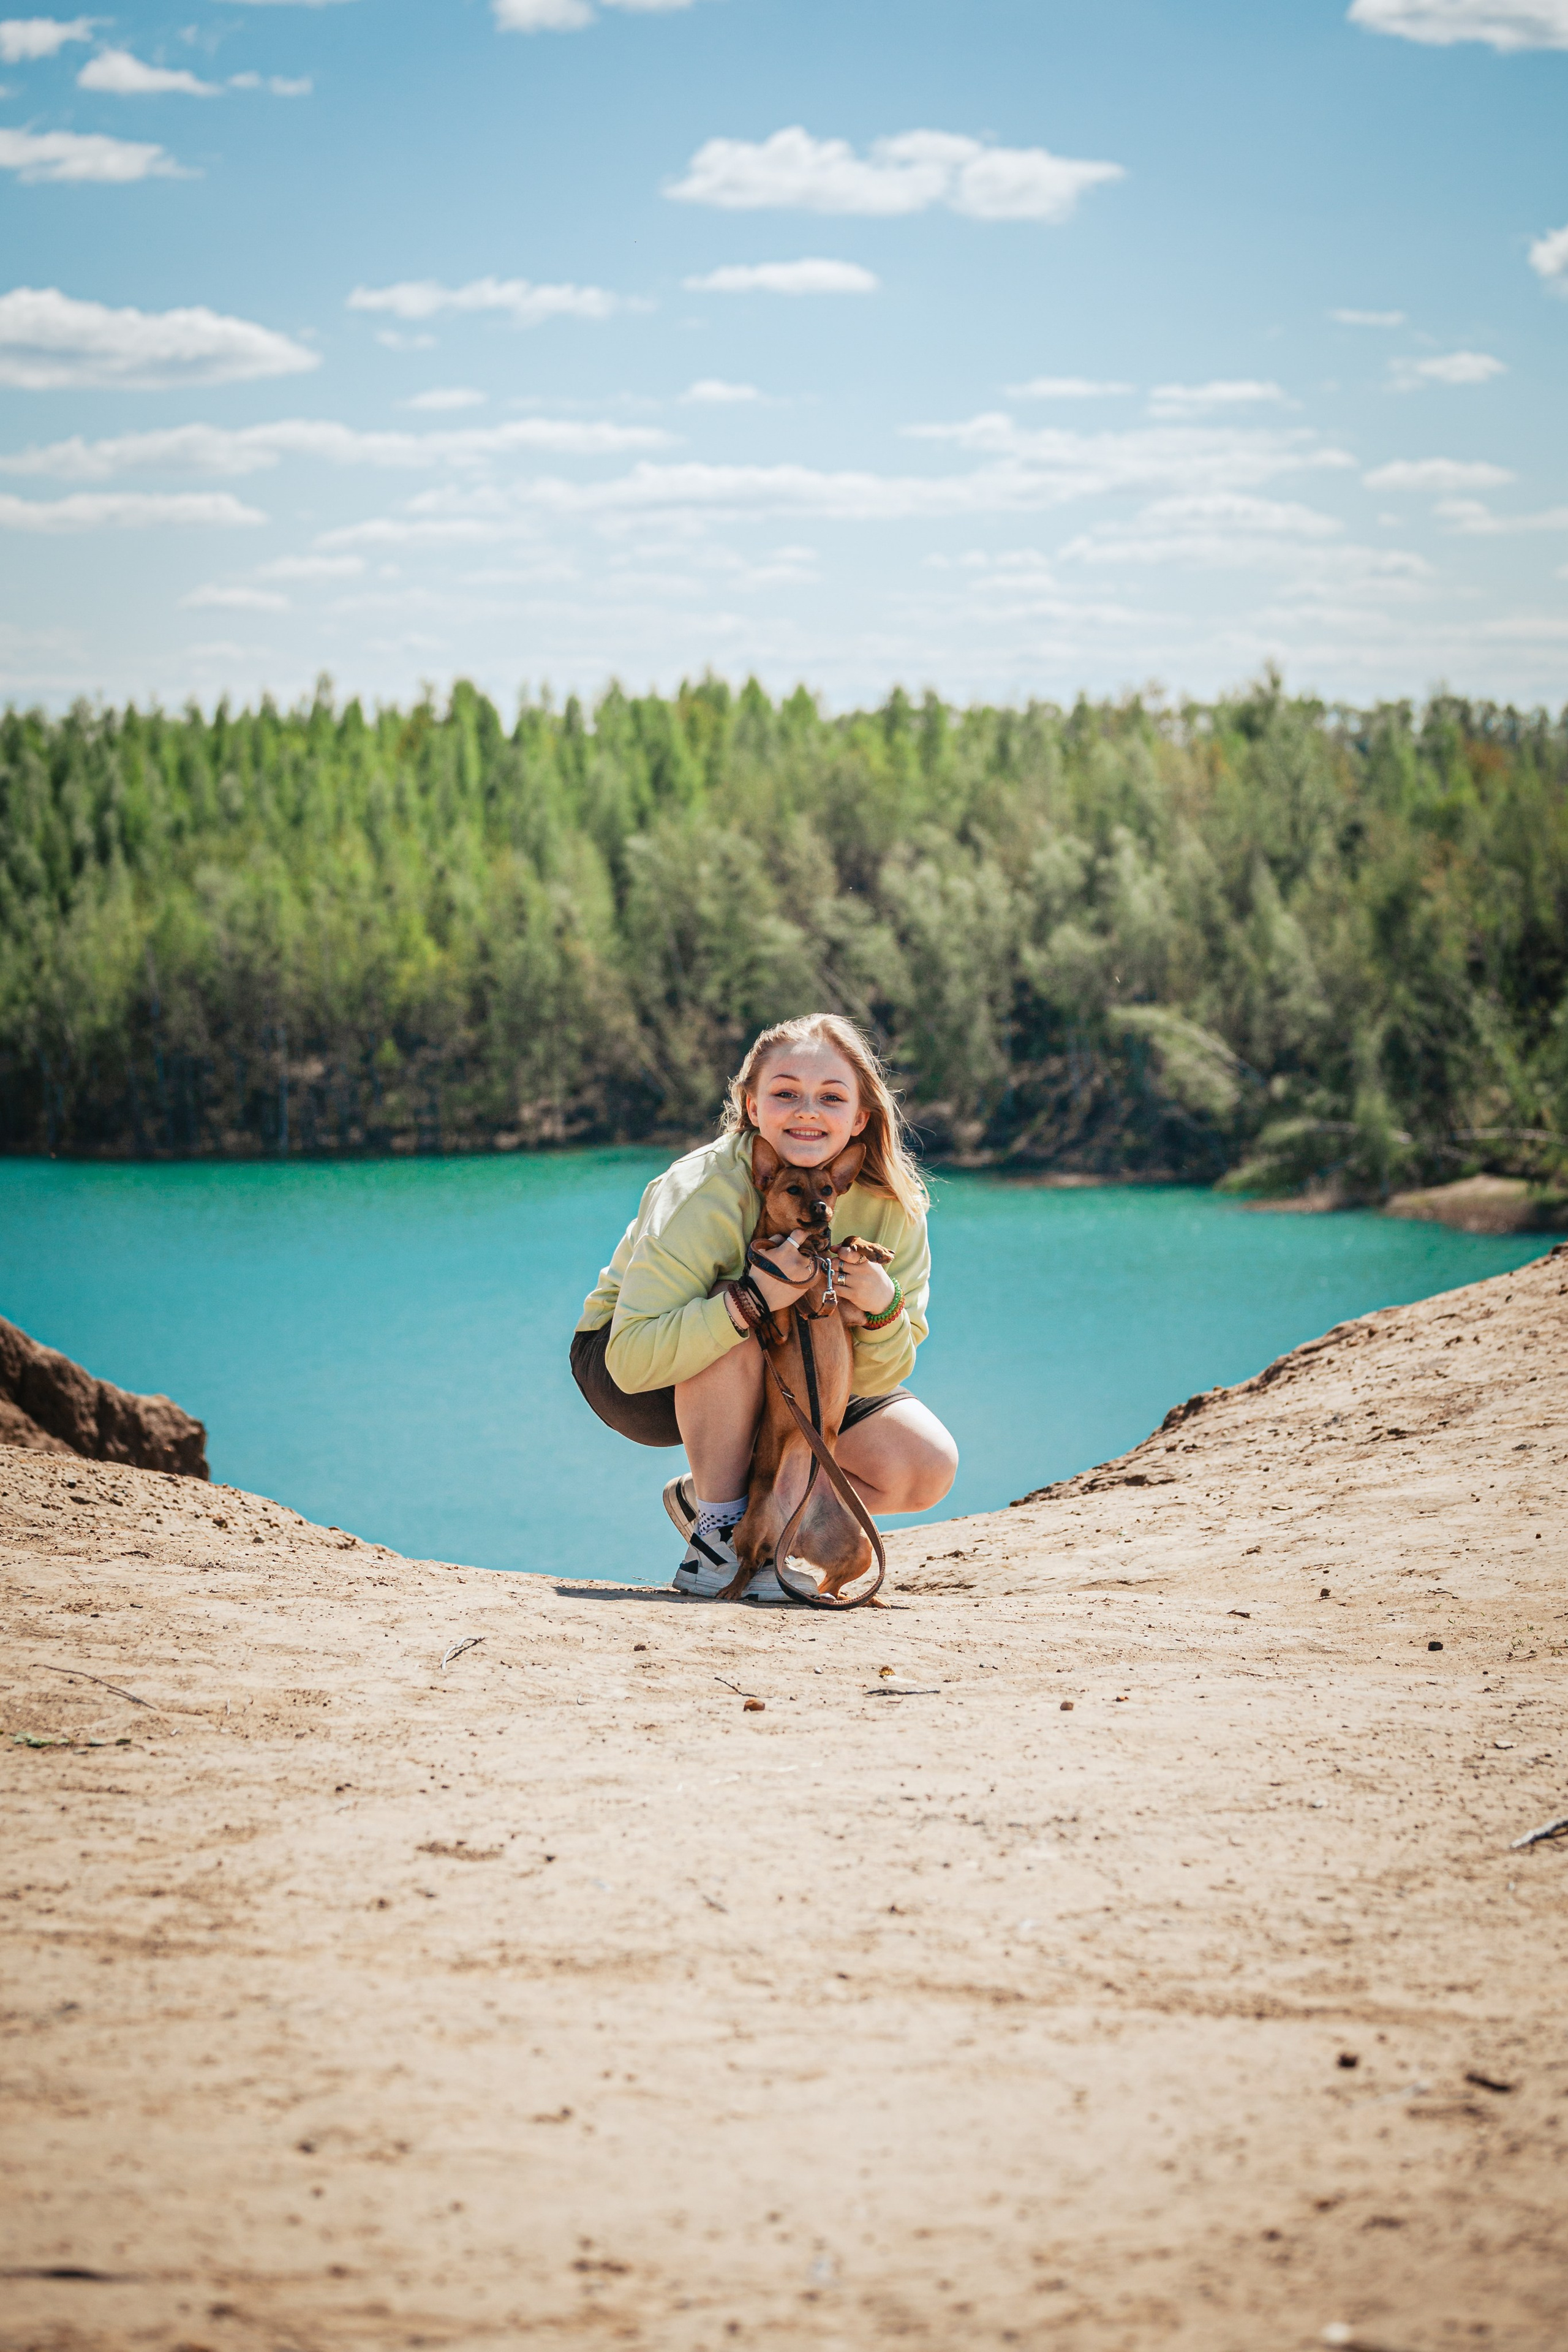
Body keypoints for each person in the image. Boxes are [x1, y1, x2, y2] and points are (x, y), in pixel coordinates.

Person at [570, 1012, 959, 1599]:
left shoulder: (891, 1207)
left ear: (860, 1117)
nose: (808, 1111)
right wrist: (752, 1299)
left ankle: (753, 1511)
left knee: (924, 1464)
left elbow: (876, 1378)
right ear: (752, 1107)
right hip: (636, 1372)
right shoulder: (702, 1190)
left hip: (799, 1374)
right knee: (739, 1311)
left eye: (831, 1097)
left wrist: (883, 1308)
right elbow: (630, 1362)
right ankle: (718, 1543)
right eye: (786, 1094)